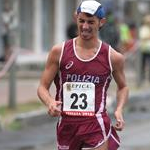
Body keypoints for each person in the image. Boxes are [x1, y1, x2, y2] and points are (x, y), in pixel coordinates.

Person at [37, 1, 129, 150]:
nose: (85, 27)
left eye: (91, 22)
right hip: (67, 124)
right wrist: (49, 102)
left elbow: (123, 87)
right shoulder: (59, 52)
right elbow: (42, 86)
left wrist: (119, 109)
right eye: (82, 21)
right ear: (76, 18)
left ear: (101, 22)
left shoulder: (113, 57)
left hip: (96, 123)